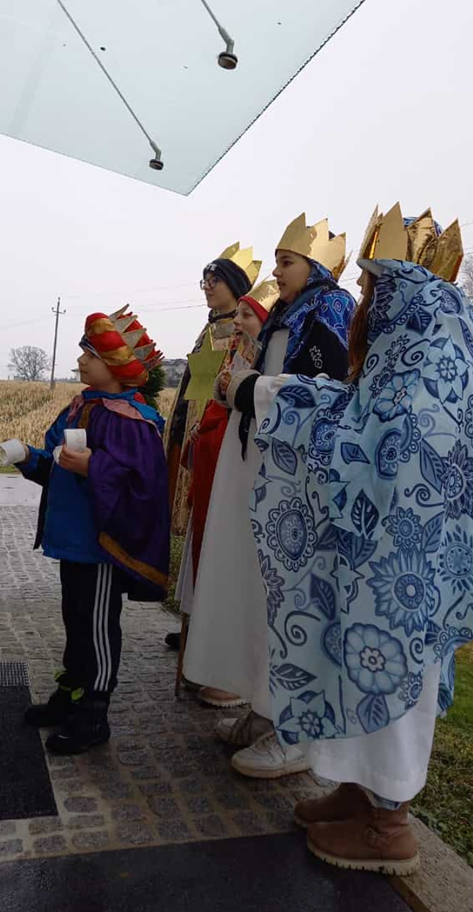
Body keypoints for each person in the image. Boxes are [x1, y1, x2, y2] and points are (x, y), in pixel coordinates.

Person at [248, 204, 473, 874]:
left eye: (372, 287)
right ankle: (359, 792)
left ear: (403, 296)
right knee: (357, 664)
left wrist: (276, 398)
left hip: (403, 590)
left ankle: (389, 824)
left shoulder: (431, 372)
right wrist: (284, 396)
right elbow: (365, 414)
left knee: (393, 675)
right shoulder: (414, 361)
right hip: (380, 572)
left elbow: (375, 444)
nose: (363, 301)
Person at [183, 214, 355, 761]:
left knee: (287, 596)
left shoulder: (331, 311)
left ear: (317, 266)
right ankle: (263, 706)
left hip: (295, 476)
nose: (276, 273)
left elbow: (327, 392)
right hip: (256, 465)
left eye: (286, 262)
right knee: (257, 589)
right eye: (277, 262)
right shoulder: (285, 312)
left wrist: (250, 389)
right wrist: (236, 388)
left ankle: (293, 729)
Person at [11, 306, 169, 755]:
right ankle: (71, 693)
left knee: (98, 625)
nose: (81, 360)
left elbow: (144, 483)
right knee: (75, 620)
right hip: (73, 542)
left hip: (100, 545)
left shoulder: (131, 420)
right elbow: (56, 464)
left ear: (116, 366)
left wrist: (94, 466)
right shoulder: (80, 406)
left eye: (91, 354)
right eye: (83, 351)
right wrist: (29, 458)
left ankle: (95, 711)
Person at [178, 278, 280, 707]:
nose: (237, 322)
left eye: (246, 314)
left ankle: (231, 674)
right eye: (236, 314)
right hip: (214, 471)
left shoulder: (270, 358)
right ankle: (204, 657)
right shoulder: (237, 352)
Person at [163, 244, 260, 652]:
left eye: (214, 280)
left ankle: (202, 629)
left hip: (214, 438)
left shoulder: (238, 335)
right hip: (192, 435)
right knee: (193, 540)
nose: (207, 287)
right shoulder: (210, 329)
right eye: (204, 280)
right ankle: (189, 621)